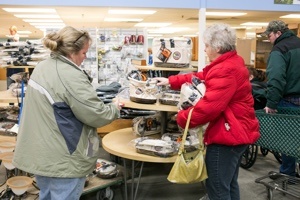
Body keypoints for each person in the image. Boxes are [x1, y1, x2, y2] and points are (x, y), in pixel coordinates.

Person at [12, 26, 123, 200]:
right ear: (72, 52)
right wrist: (115, 107)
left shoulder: (42, 66)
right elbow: (96, 115)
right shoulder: (70, 75)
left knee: (47, 194)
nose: (85, 58)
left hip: (41, 152)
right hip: (63, 157)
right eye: (84, 53)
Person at [154, 23, 260, 200]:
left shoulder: (225, 70)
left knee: (217, 188)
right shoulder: (230, 63)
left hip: (228, 136)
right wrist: (171, 81)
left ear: (217, 47)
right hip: (237, 132)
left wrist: (181, 118)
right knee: (228, 184)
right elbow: (201, 77)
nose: (204, 49)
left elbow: (208, 109)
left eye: (207, 46)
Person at [263, 20, 300, 178]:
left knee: (287, 138)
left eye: (270, 35)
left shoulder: (280, 49)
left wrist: (271, 103)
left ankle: (288, 174)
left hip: (290, 101)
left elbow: (276, 79)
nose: (269, 39)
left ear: (278, 33)